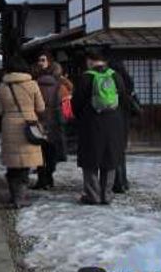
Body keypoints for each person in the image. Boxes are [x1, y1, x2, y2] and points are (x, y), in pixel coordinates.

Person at [73, 49, 127, 205]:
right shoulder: (116, 76)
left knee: (90, 161)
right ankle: (106, 195)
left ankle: (93, 195)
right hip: (114, 124)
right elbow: (124, 100)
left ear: (89, 61)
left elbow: (76, 104)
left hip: (91, 124)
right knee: (110, 159)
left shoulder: (85, 78)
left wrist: (80, 118)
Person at [0, 56, 45, 209]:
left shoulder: (3, 87)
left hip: (9, 125)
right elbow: (41, 107)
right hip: (28, 125)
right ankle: (20, 198)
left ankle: (14, 196)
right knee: (25, 164)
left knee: (13, 164)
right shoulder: (32, 84)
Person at [34, 51, 67, 190]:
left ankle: (42, 179)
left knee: (41, 151)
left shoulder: (35, 83)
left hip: (40, 120)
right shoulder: (60, 84)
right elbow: (66, 99)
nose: (40, 63)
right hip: (54, 121)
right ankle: (49, 176)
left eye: (43, 60)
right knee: (51, 151)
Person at [109, 58, 137, 194]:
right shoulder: (128, 81)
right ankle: (123, 181)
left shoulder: (113, 81)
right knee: (121, 152)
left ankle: (118, 182)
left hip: (114, 118)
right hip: (125, 119)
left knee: (114, 152)